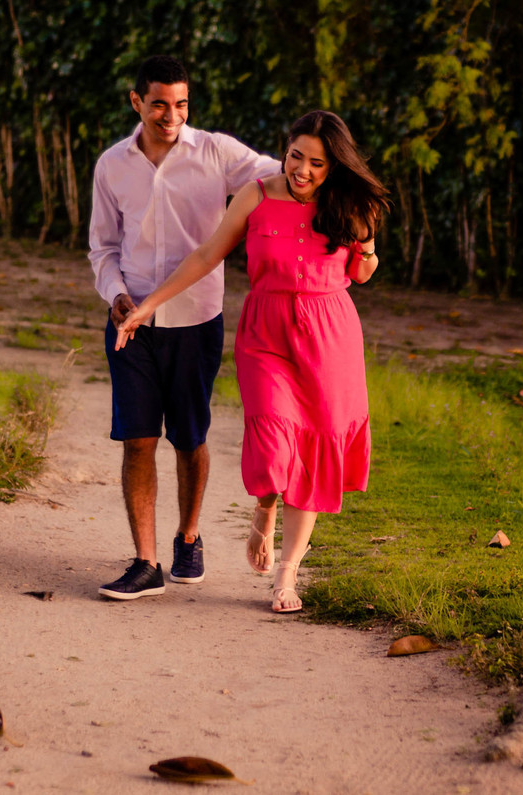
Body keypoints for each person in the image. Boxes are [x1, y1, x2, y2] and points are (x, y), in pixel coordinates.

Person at [116, 109, 389, 612]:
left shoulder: (351, 204)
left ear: (334, 166)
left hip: (330, 335)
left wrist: (368, 248)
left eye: (317, 164)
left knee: (315, 449)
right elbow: (206, 255)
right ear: (285, 150)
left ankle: (287, 576)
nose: (302, 170)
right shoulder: (257, 195)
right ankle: (265, 505)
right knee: (272, 436)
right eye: (296, 156)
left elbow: (362, 273)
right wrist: (149, 306)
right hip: (267, 332)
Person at [88, 55, 281, 600]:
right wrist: (116, 295)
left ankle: (188, 537)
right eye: (159, 105)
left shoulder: (216, 153)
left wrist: (335, 186)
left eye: (181, 104)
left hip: (196, 321)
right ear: (136, 102)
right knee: (137, 440)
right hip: (131, 324)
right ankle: (145, 563)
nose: (171, 116)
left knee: (190, 439)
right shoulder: (111, 165)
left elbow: (284, 176)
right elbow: (102, 247)